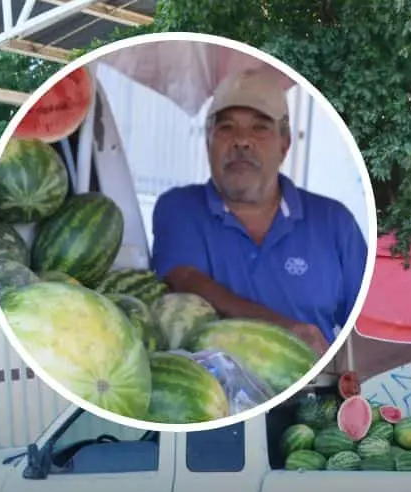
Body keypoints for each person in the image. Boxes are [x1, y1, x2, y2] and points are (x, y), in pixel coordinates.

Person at [150, 67, 369, 357]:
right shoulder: (180, 208)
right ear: (208, 141)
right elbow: (185, 281)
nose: (241, 141)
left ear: (285, 144)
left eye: (260, 127)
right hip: (213, 393)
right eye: (226, 127)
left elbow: (367, 323)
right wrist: (283, 329)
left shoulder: (334, 222)